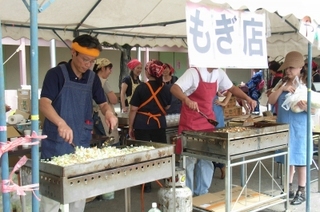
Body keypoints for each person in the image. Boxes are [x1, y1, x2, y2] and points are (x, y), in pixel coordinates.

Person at [39, 34, 118, 212]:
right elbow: (44, 103)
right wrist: (61, 123)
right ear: (73, 53)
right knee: (51, 195)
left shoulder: (92, 78)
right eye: (85, 59)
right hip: (56, 143)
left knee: (78, 193)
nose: (88, 65)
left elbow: (103, 103)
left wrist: (109, 114)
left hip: (80, 143)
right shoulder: (55, 74)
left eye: (92, 61)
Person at [170, 66, 256, 196]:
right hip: (191, 123)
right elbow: (174, 88)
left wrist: (247, 98)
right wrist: (186, 99)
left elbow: (232, 88)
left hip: (208, 122)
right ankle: (186, 194)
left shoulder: (219, 73)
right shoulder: (194, 72)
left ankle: (202, 193)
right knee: (189, 160)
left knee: (207, 158)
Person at [268, 51, 313, 205]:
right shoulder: (280, 83)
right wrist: (282, 88)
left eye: (292, 68)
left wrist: (306, 107)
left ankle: (301, 190)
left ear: (300, 68)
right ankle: (288, 189)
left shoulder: (307, 85)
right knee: (288, 159)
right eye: (287, 68)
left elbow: (314, 109)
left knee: (300, 158)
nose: (288, 71)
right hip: (284, 125)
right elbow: (271, 99)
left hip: (300, 127)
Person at [128, 60, 171, 192]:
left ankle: (145, 184)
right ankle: (165, 179)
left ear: (148, 73)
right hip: (159, 123)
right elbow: (167, 106)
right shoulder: (166, 88)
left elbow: (133, 109)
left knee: (144, 153)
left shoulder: (141, 88)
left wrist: (130, 127)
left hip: (142, 123)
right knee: (162, 152)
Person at [92, 58, 119, 144]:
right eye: (109, 69)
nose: (111, 72)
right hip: (102, 116)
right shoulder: (102, 81)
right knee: (110, 141)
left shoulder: (90, 80)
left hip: (93, 116)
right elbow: (114, 100)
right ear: (103, 68)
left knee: (100, 141)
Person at [212, 90, 232, 179]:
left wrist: (224, 102)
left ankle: (221, 165)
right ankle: (212, 166)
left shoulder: (217, 76)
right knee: (207, 142)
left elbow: (231, 89)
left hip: (216, 111)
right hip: (204, 110)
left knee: (218, 141)